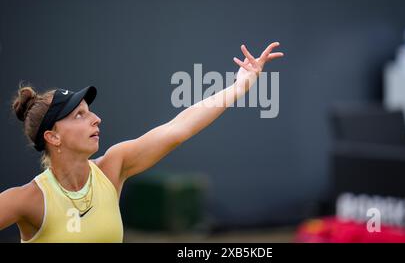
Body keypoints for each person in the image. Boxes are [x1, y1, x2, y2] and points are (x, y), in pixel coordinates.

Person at [0, 42, 284, 242]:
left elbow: (178, 128)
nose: (96, 119)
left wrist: (238, 87)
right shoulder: (28, 199)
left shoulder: (113, 166)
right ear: (53, 136)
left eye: (90, 111)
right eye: (79, 115)